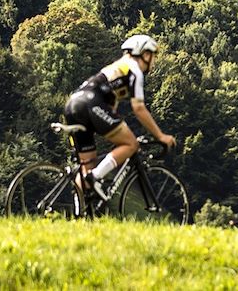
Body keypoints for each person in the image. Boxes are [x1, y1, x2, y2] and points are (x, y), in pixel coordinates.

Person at [64, 34, 176, 200]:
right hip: (91, 104)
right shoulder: (135, 70)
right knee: (131, 144)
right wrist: (160, 136)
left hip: (73, 104)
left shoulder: (117, 67)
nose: (154, 61)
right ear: (145, 54)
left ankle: (79, 215)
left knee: (87, 166)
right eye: (154, 56)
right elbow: (138, 108)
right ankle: (95, 177)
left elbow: (111, 108)